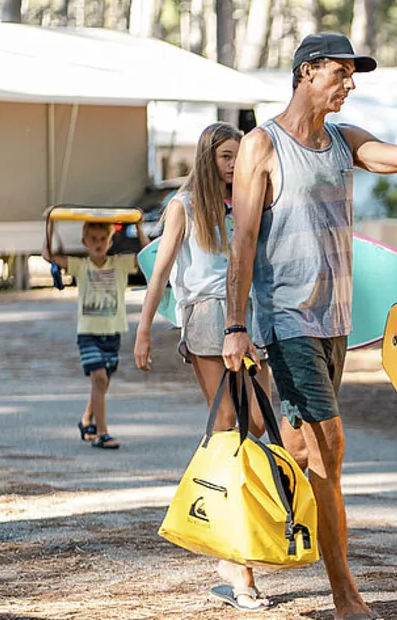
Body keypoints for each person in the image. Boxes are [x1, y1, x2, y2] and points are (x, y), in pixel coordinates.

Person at [222, 32, 397, 620]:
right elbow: (241, 241)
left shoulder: (344, 142)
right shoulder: (261, 146)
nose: (351, 84)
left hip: (333, 320)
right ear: (307, 73)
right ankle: (346, 596)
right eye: (341, 73)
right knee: (329, 450)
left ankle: (238, 551)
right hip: (284, 319)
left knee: (299, 452)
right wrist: (234, 324)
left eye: (353, 75)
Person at [134, 122, 289, 611]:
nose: (233, 164)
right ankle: (236, 565)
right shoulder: (184, 206)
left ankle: (229, 550)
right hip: (205, 319)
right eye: (226, 156)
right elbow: (159, 271)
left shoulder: (242, 201)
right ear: (208, 157)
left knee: (260, 424)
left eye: (237, 156)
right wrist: (142, 332)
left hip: (245, 315)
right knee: (228, 432)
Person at [44, 218, 150, 449]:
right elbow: (48, 255)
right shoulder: (81, 266)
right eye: (93, 239)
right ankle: (103, 433)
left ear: (111, 242)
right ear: (84, 242)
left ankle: (86, 421)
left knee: (101, 384)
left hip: (112, 333)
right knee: (99, 379)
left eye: (103, 239)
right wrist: (50, 225)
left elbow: (148, 256)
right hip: (89, 334)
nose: (98, 243)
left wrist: (140, 227)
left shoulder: (120, 264)